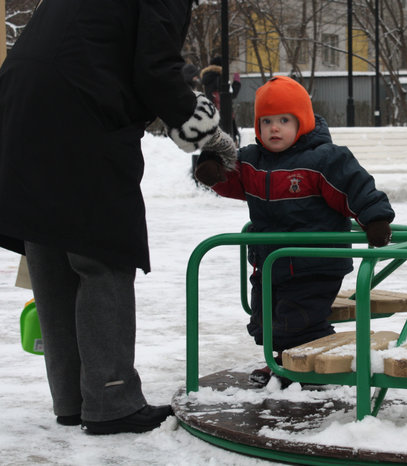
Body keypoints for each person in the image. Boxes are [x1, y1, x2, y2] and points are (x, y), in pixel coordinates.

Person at [0, 0, 236, 434]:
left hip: (18, 102)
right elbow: (155, 69)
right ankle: (111, 399)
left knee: (51, 244)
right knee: (102, 251)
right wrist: (209, 135)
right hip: (80, 107)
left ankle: (73, 398)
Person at [194, 76, 394, 387]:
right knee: (265, 323)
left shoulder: (324, 159)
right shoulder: (251, 160)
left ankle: (319, 365)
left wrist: (376, 218)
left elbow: (356, 189)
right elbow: (231, 179)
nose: (274, 128)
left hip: (314, 264)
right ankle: (283, 363)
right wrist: (213, 170)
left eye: (284, 120)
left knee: (297, 321)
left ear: (303, 121)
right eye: (267, 121)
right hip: (269, 263)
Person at [200, 56, 242, 145]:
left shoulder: (207, 78)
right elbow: (231, 94)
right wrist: (237, 81)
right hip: (223, 115)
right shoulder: (220, 77)